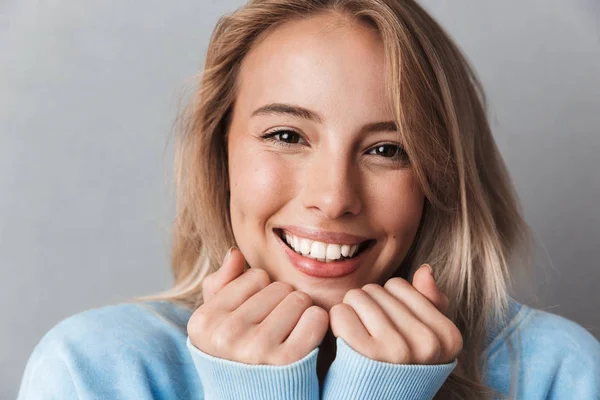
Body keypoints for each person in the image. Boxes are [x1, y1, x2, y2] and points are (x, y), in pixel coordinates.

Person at [17, 0, 600, 399]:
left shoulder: (554, 372)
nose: (333, 197)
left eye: (388, 149)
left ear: (440, 178)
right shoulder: (97, 369)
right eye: (287, 136)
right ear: (220, 158)